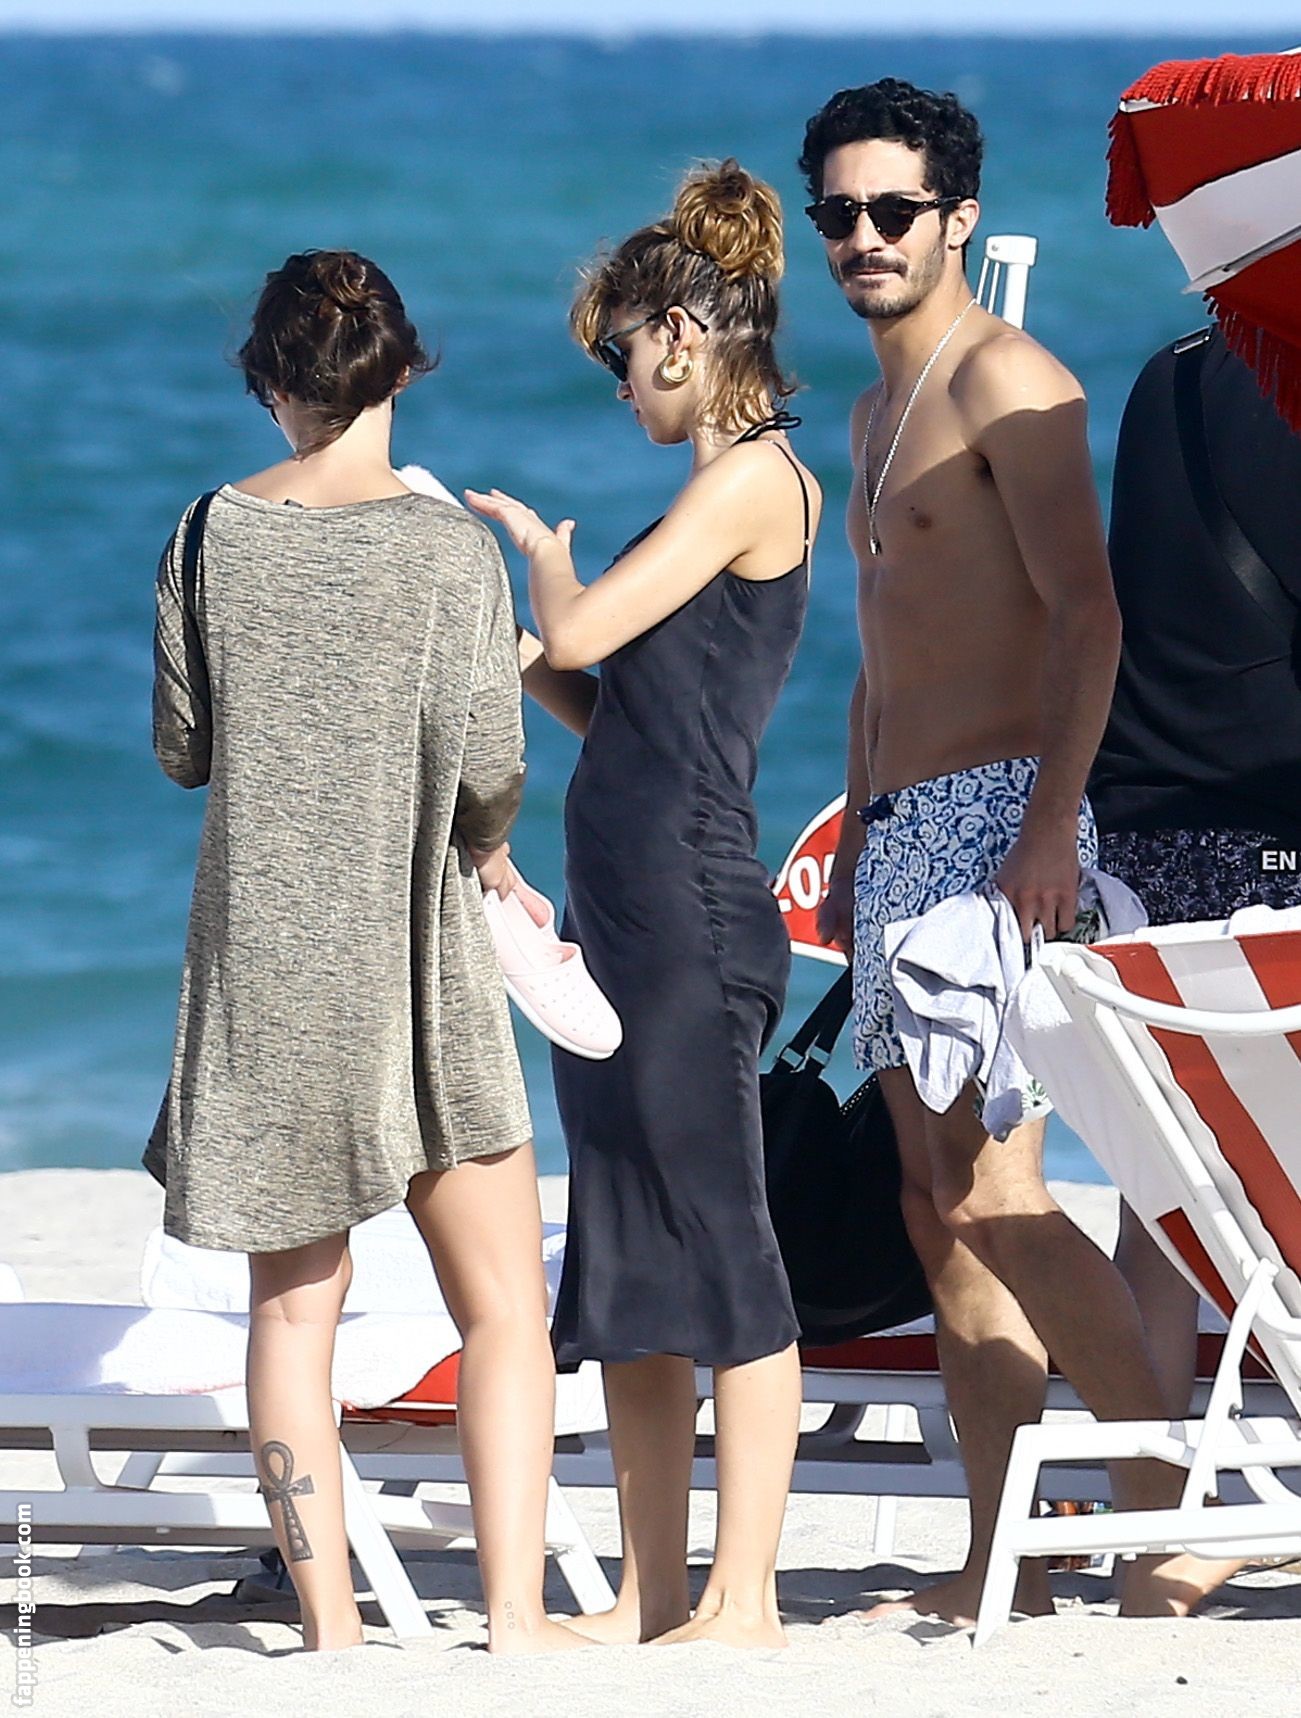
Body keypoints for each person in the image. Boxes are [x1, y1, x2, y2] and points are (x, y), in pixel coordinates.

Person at [803, 79, 1233, 1624]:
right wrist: (857, 833)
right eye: (838, 212)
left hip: (1002, 823)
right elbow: (881, 653)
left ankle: (1168, 1504)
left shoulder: (1010, 380)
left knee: (994, 1190)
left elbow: (1086, 614)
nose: (864, 236)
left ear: (957, 219)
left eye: (893, 209)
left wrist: (1050, 823)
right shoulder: (873, 411)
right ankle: (1004, 1555)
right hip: (902, 835)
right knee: (936, 1210)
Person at [147, 249, 584, 1656]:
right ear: (402, 372)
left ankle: (330, 1626)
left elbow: (183, 749)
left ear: (271, 385)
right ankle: (512, 1616)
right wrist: (477, 831)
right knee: (502, 1306)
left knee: (293, 1316)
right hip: (420, 955)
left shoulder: (208, 534)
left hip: (269, 970)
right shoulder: (453, 553)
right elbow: (490, 772)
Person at [468, 159, 822, 1650]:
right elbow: (610, 703)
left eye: (620, 357)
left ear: (680, 333)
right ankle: (653, 1589)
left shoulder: (755, 477)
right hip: (626, 916)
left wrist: (545, 567)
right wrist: (496, 632)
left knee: (721, 1239)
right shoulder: (705, 489)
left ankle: (743, 1595)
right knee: (622, 1249)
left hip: (688, 911)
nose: (620, 389)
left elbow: (585, 627)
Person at [1091, 324, 1301, 1415]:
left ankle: (1147, 1478)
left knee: (1161, 1194)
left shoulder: (1164, 373)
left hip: (1138, 837)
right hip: (1271, 849)